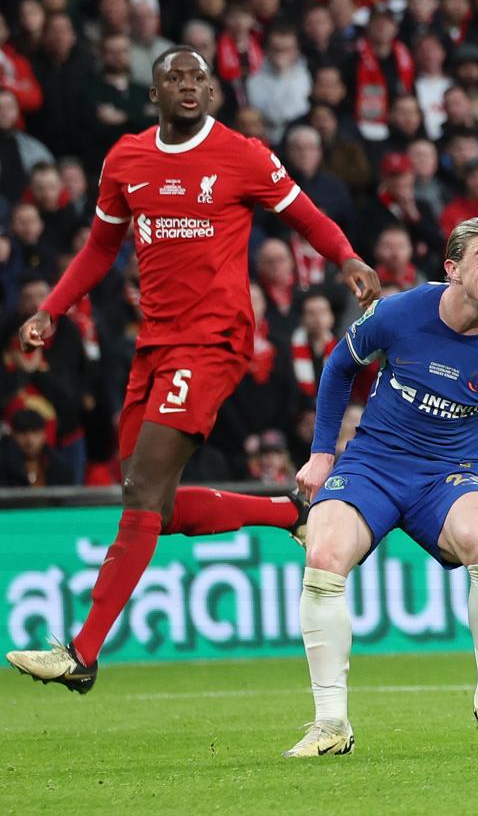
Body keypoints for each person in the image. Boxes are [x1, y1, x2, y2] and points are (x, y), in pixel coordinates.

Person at [8, 47, 377, 695]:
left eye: (198, 77)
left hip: (213, 341)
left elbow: (305, 215)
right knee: (159, 507)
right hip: (155, 346)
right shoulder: (127, 159)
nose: (188, 85)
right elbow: (100, 248)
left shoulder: (244, 155)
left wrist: (347, 258)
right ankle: (289, 511)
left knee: (142, 493)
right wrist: (53, 309)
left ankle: (83, 651)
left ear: (211, 91)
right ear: (153, 93)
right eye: (174, 77)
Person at [284, 218, 478, 758]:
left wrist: (474, 456)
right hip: (373, 464)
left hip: (445, 474)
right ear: (452, 269)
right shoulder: (401, 312)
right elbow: (339, 367)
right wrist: (320, 453)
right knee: (325, 551)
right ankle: (331, 723)